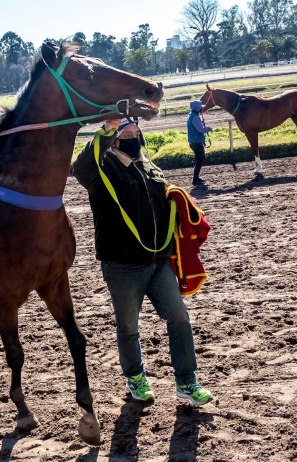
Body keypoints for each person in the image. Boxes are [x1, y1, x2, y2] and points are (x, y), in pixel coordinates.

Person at [73, 118, 213, 406]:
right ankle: (135, 377)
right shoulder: (102, 169)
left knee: (179, 317)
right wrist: (106, 130)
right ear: (114, 140)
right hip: (123, 264)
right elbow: (81, 167)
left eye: (137, 133)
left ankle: (187, 381)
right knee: (128, 327)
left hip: (158, 261)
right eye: (127, 134)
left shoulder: (149, 166)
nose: (134, 138)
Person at [186, 100, 212, 185]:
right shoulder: (195, 117)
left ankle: (196, 178)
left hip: (195, 141)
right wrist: (209, 128)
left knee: (200, 159)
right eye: (201, 107)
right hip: (196, 142)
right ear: (198, 108)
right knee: (200, 159)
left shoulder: (192, 115)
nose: (202, 109)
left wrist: (203, 141)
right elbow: (201, 129)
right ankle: (195, 179)